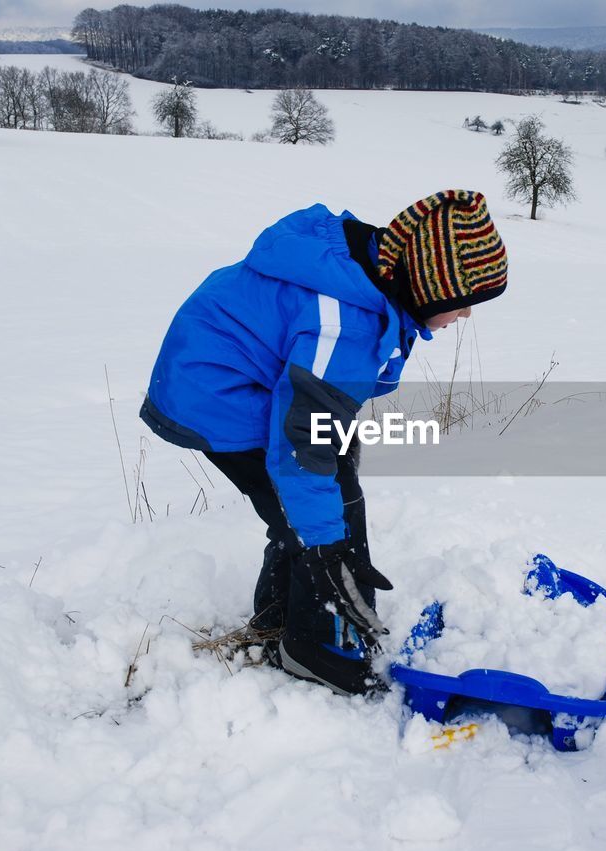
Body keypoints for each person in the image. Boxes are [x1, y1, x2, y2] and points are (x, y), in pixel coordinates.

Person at [140, 190, 508, 695]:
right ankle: (311, 647)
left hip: (235, 378)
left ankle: (279, 613)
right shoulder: (344, 323)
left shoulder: (367, 272)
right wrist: (327, 547)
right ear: (427, 287)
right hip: (216, 395)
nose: (465, 315)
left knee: (327, 493)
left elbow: (321, 393)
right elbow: (297, 450)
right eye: (463, 302)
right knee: (315, 516)